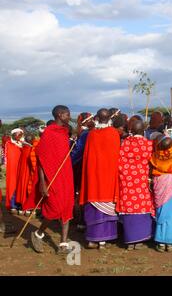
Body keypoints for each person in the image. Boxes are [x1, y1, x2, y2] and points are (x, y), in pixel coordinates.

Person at [30, 105, 75, 254]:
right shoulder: (49, 133)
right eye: (68, 114)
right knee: (54, 208)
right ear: (60, 115)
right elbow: (41, 160)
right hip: (52, 178)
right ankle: (38, 234)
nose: (69, 116)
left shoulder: (64, 132)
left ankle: (63, 244)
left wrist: (74, 137)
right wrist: (43, 183)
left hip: (66, 175)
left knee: (67, 207)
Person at [79, 108, 121, 249]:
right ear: (109, 119)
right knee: (107, 203)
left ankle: (92, 240)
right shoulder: (114, 134)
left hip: (94, 176)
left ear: (97, 118)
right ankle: (104, 241)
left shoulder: (92, 135)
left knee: (93, 204)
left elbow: (86, 158)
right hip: (109, 176)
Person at [117, 119, 155, 250]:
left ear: (131, 130)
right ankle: (139, 240)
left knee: (129, 207)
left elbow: (119, 160)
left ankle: (129, 239)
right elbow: (152, 162)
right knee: (141, 206)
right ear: (143, 131)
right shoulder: (148, 144)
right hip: (141, 181)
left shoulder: (124, 143)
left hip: (127, 180)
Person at [15, 134, 36, 214]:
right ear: (31, 141)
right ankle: (28, 208)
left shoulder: (23, 149)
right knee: (28, 188)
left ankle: (21, 207)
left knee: (22, 188)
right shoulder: (31, 149)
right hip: (29, 173)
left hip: (22, 173)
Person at [5, 128, 24, 213]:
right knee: (13, 185)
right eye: (17, 134)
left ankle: (20, 205)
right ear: (13, 135)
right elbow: (7, 157)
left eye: (21, 134)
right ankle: (13, 206)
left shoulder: (24, 144)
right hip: (12, 169)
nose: (19, 136)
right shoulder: (9, 144)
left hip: (22, 168)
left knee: (21, 186)